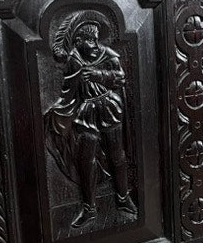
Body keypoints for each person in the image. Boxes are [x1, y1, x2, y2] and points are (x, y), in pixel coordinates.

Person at [46, 15, 137, 228]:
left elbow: (120, 78)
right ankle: (89, 209)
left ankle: (123, 199)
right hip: (86, 112)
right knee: (85, 160)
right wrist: (58, 113)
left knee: (117, 155)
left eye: (96, 39)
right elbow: (67, 92)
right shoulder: (74, 60)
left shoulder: (109, 55)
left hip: (108, 107)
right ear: (78, 42)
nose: (94, 44)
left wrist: (97, 75)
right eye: (89, 40)